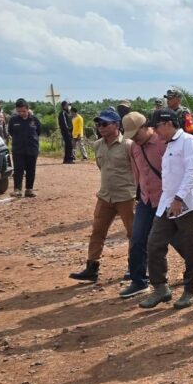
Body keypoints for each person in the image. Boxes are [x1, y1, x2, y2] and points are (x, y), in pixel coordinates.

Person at [119, 111, 193, 298]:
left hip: (173, 201)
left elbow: (189, 172)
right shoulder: (135, 147)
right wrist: (139, 193)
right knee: (141, 240)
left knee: (181, 241)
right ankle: (142, 282)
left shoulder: (168, 142)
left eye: (136, 134)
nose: (134, 139)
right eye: (131, 136)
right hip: (149, 200)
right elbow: (137, 172)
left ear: (146, 127)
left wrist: (178, 198)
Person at [138, 108, 193, 310]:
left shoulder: (188, 141)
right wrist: (170, 201)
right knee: (154, 243)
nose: (155, 131)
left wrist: (178, 199)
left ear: (168, 123)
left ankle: (192, 290)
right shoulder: (169, 144)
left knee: (189, 247)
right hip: (167, 204)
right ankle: (161, 288)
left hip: (186, 205)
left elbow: (192, 172)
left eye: (157, 126)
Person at [68, 108, 135, 283]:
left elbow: (137, 170)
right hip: (105, 196)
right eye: (98, 124)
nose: (100, 127)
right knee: (97, 232)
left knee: (133, 234)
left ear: (116, 125)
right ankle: (92, 268)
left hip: (127, 196)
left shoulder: (128, 145)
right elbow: (101, 167)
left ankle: (134, 267)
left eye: (105, 124)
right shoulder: (98, 145)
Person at [7, 99, 41, 198]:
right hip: (18, 149)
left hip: (32, 149)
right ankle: (17, 190)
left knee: (31, 169)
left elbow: (38, 131)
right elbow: (11, 132)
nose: (21, 113)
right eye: (19, 111)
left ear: (27, 109)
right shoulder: (13, 120)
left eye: (23, 111)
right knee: (18, 170)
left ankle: (29, 189)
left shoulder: (34, 119)